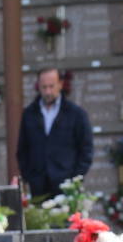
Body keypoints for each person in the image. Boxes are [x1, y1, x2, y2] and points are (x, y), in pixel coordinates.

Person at [16, 66, 94, 198]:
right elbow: (22, 149)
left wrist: (75, 179)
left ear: (60, 84)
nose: (48, 92)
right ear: (38, 87)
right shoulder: (29, 114)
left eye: (51, 86)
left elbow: (86, 149)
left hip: (66, 185)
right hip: (38, 186)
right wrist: (29, 176)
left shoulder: (75, 114)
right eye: (44, 87)